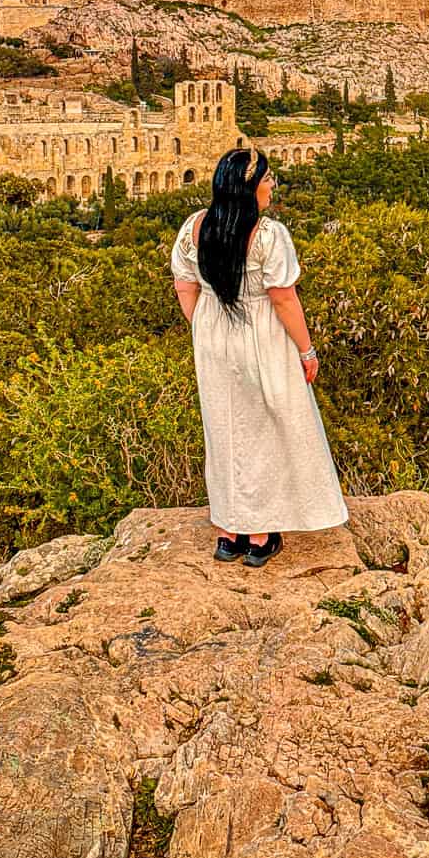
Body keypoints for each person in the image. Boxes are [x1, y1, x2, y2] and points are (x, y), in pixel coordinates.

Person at [171, 145, 348, 566]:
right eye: (267, 179)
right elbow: (284, 298)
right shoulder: (268, 235)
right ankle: (259, 536)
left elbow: (184, 286)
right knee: (265, 427)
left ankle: (227, 533)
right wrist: (306, 349)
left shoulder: (192, 228)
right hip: (262, 333)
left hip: (213, 332)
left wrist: (206, 327)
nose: (272, 186)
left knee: (223, 428)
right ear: (248, 188)